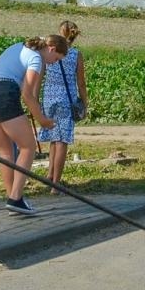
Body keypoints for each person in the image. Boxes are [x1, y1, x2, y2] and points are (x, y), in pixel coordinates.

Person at [0, 35, 63, 213]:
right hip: (4, 95)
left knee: (5, 150)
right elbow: (27, 94)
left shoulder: (16, 47)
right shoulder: (36, 58)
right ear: (52, 49)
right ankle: (16, 198)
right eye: (56, 59)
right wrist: (42, 120)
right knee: (28, 147)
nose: (53, 63)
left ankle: (12, 197)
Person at [38, 19, 88, 191]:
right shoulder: (75, 55)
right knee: (62, 141)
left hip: (48, 97)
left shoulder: (48, 51)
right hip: (66, 99)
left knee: (53, 138)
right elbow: (80, 82)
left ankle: (49, 176)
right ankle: (56, 183)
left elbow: (40, 75)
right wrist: (85, 103)